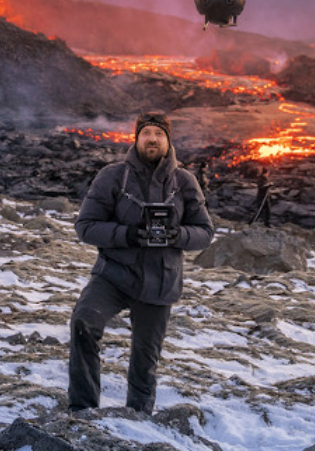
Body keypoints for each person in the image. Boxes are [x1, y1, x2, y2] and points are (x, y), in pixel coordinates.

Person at [68, 111, 214, 415]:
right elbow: (86, 226)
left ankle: (137, 417)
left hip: (160, 282)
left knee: (146, 358)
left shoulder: (184, 182)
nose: (152, 139)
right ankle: (82, 410)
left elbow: (205, 232)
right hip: (114, 275)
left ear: (168, 140)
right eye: (146, 133)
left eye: (159, 134)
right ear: (136, 138)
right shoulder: (113, 176)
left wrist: (178, 235)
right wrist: (129, 235)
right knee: (84, 321)